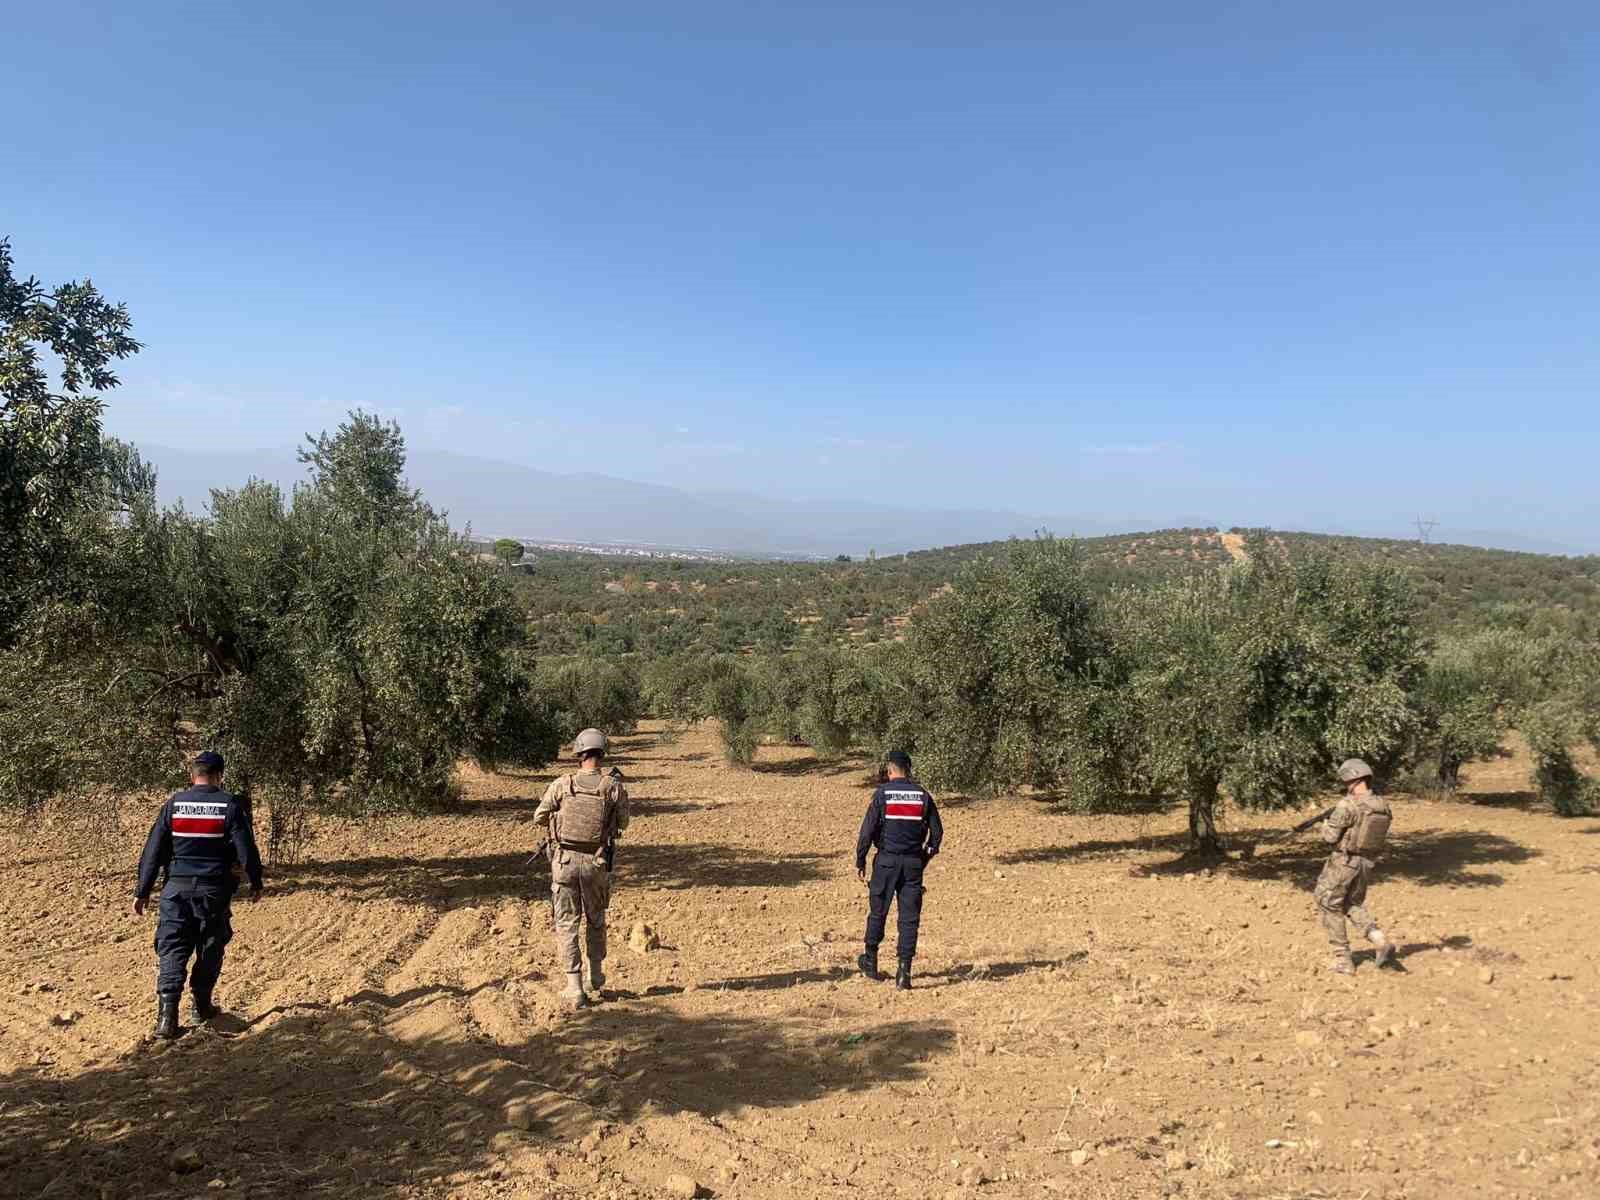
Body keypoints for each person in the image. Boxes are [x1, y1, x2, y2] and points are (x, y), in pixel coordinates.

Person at [133, 750, 263, 1038]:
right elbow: (246, 848)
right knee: (210, 945)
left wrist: (143, 890)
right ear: (219, 776)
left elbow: (153, 850)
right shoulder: (229, 805)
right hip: (213, 891)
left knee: (173, 947)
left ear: (192, 776)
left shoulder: (174, 804)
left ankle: (167, 1018)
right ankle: (201, 1006)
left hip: (175, 891)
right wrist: (256, 881)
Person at [533, 728, 630, 1009]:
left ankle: (574, 988)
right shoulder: (613, 787)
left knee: (567, 923)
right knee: (596, 919)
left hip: (564, 863)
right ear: (602, 754)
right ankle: (596, 975)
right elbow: (624, 823)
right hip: (596, 863)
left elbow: (539, 816)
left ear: (579, 753)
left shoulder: (562, 784)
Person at [855, 750, 943, 990]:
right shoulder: (923, 796)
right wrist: (924, 856)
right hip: (913, 864)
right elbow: (937, 834)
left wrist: (861, 860)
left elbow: (867, 832)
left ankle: (870, 962)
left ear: (890, 770)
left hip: (886, 862)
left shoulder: (882, 794)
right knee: (909, 918)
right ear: (909, 770)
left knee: (878, 912)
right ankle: (904, 972)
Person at [1314, 758, 1401, 975]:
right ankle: (1379, 939)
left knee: (1328, 903)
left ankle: (1343, 959)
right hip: (1366, 863)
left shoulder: (1348, 805)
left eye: (1345, 781)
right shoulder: (1381, 805)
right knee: (1351, 903)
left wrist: (1323, 825)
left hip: (1344, 863)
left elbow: (1330, 837)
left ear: (1352, 779)